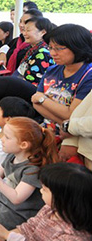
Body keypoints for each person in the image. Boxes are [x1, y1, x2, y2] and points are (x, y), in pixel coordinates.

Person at [0, 117, 58, 230]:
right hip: (2, 200)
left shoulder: (33, 169)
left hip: (18, 212)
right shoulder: (12, 156)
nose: (2, 139)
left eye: (7, 137)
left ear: (23, 145)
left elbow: (16, 198)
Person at [0, 162, 92, 241]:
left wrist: (7, 235)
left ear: (63, 198)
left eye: (45, 189)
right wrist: (6, 235)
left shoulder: (73, 236)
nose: (41, 191)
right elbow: (29, 228)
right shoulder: (49, 209)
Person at [31, 24, 92, 163]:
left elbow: (72, 114)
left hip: (72, 142)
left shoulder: (88, 75)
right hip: (50, 134)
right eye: (51, 48)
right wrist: (68, 126)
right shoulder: (52, 70)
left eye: (58, 48)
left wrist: (44, 100)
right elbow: (35, 103)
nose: (53, 53)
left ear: (78, 47)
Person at [13, 17, 54, 86]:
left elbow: (34, 81)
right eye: (24, 30)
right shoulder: (33, 49)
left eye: (28, 31)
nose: (24, 33)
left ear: (42, 32)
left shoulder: (43, 53)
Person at [7, 9, 43, 73]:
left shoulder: (41, 50)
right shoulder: (16, 41)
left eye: (26, 22)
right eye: (20, 21)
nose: (21, 25)